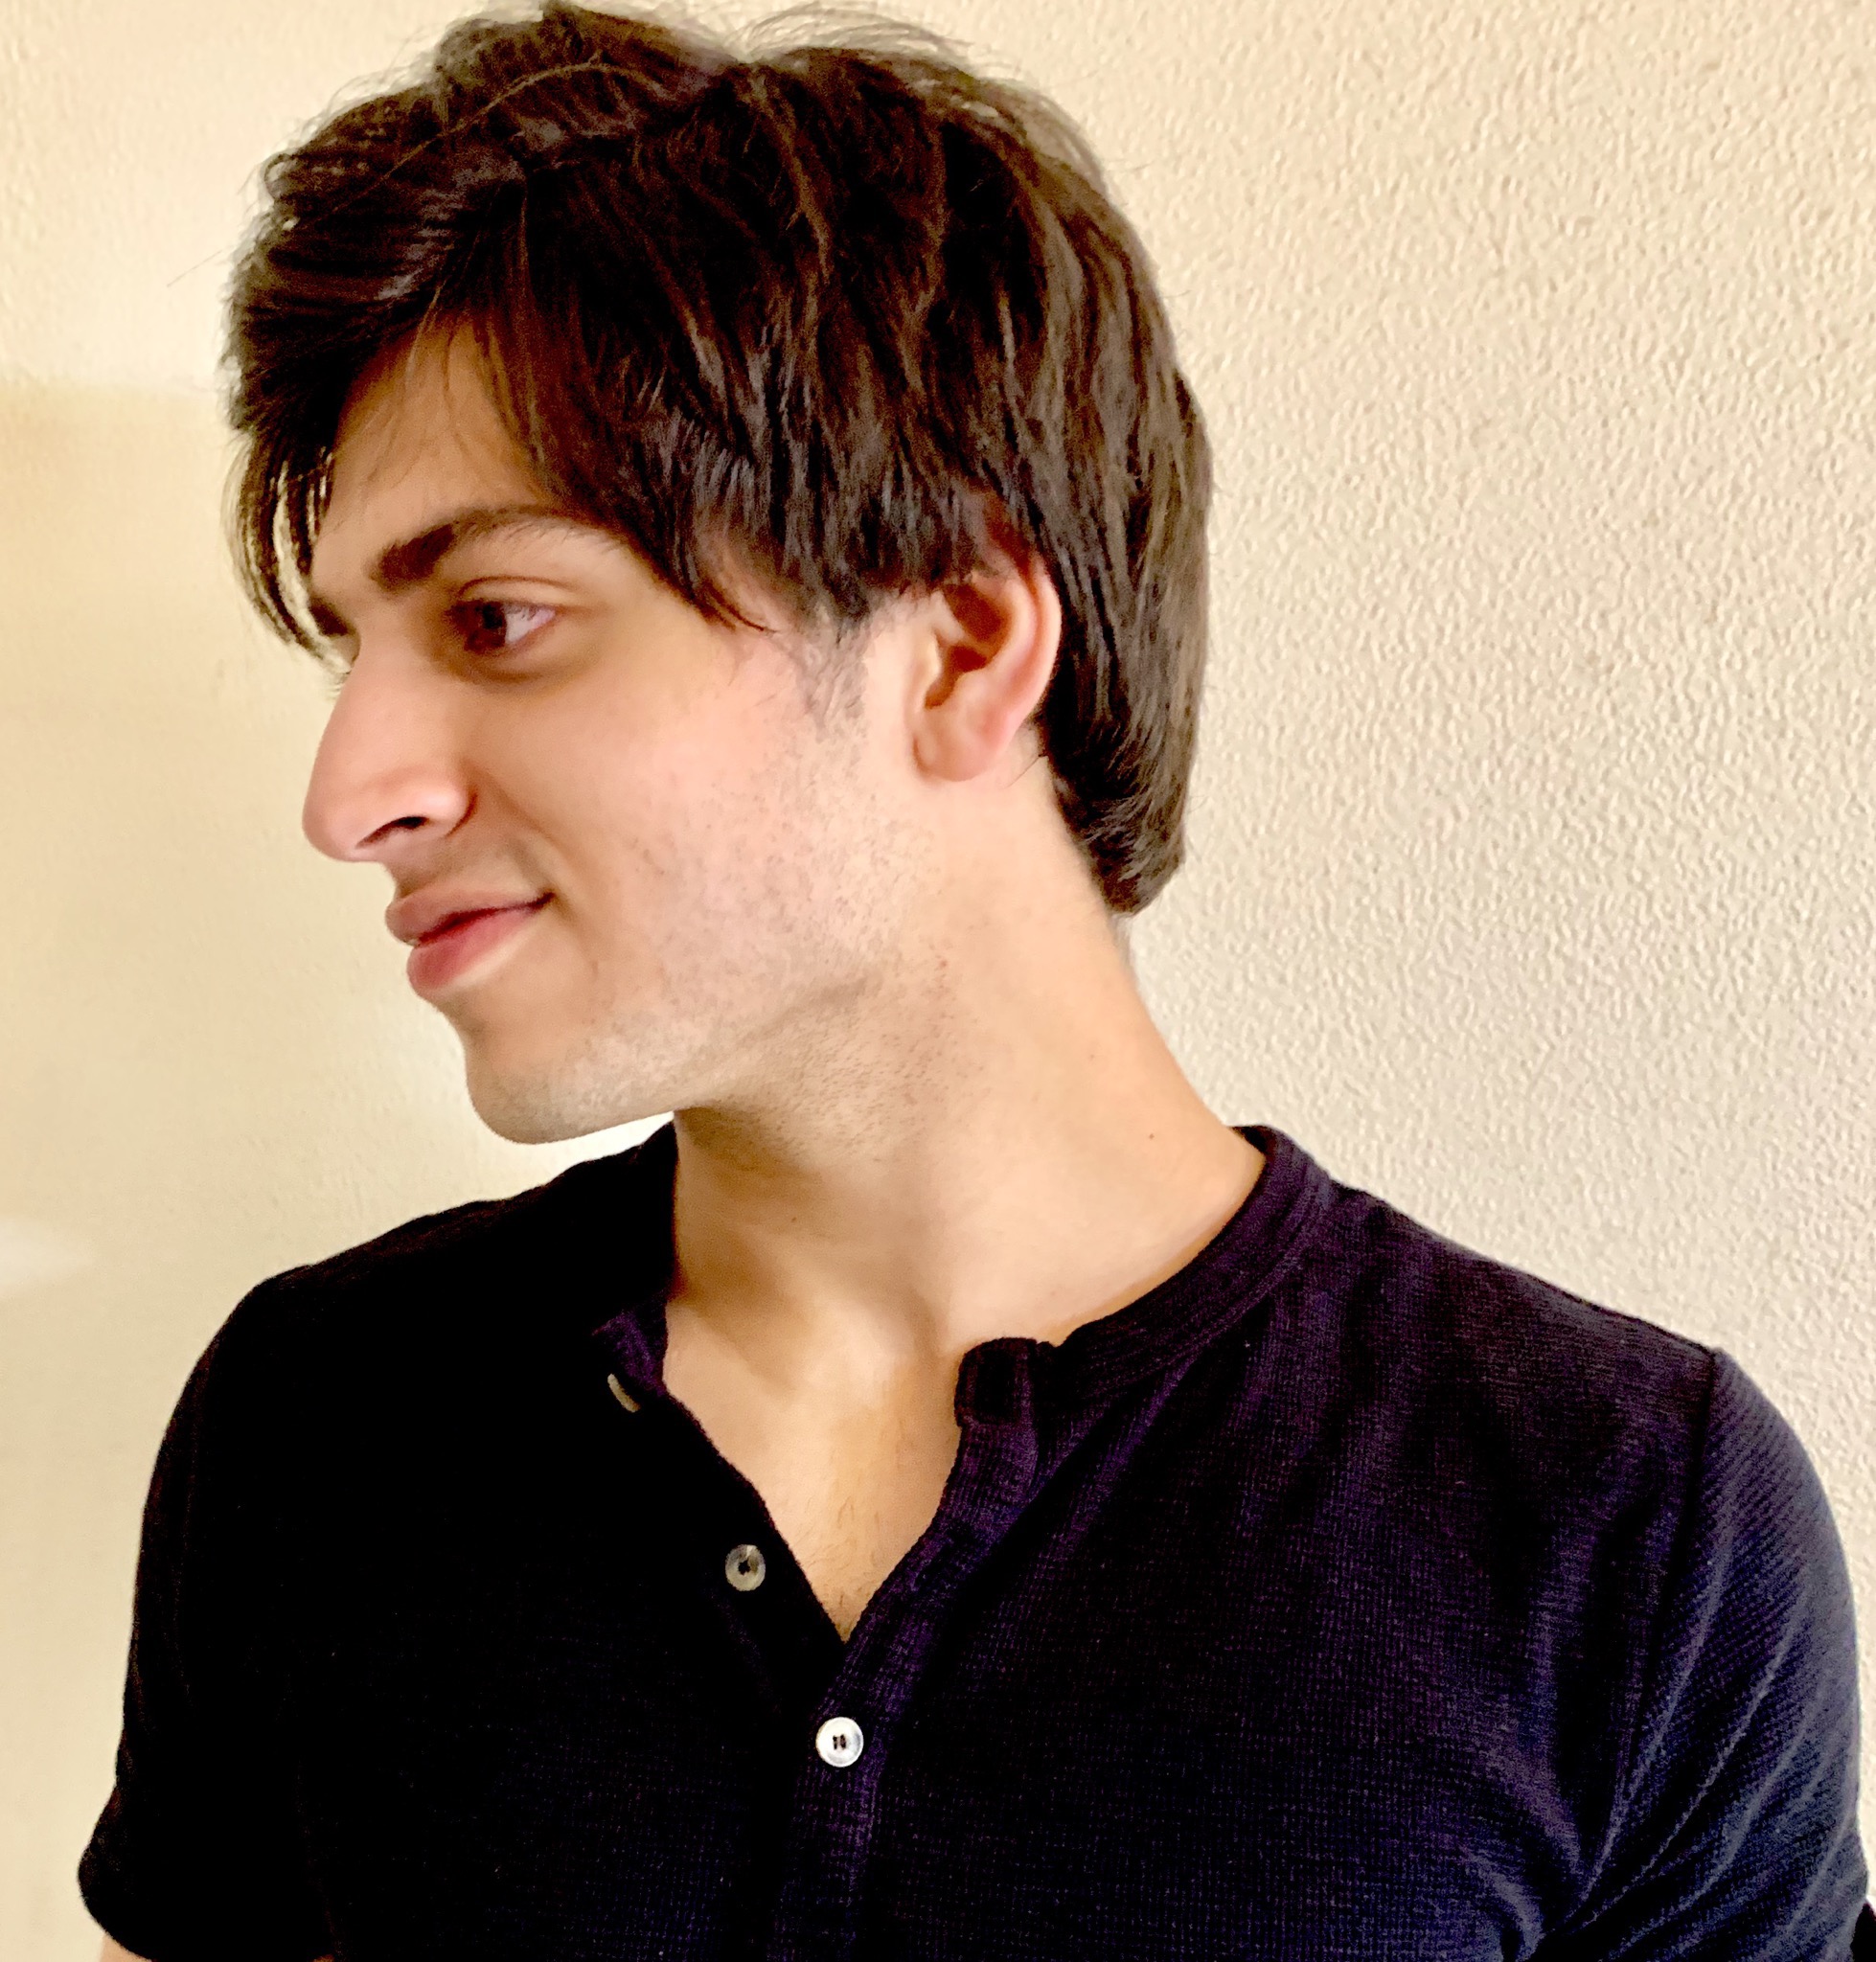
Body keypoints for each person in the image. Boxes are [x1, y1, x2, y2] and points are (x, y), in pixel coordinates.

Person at [81, 5, 1868, 1957]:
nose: (352, 794)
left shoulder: (1625, 1526)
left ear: (957, 648)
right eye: (351, 650)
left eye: (499, 617)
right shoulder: (321, 1424)